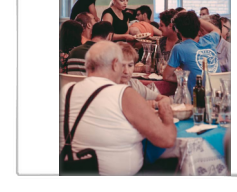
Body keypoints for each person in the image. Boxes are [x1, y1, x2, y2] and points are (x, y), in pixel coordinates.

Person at [59, 40, 176, 176]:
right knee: (172, 162)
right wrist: (167, 114)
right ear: (115, 64)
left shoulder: (66, 90)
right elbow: (167, 139)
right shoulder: (124, 94)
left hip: (69, 169)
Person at [163, 10, 221, 99]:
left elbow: (167, 76)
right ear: (198, 27)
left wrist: (186, 77)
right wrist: (196, 19)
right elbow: (216, 29)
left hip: (196, 101)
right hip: (218, 98)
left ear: (177, 30)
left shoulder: (179, 48)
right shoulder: (210, 40)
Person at [116, 41, 172, 106]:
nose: (126, 71)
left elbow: (164, 98)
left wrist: (155, 104)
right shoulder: (108, 88)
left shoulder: (135, 84)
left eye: (130, 65)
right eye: (122, 65)